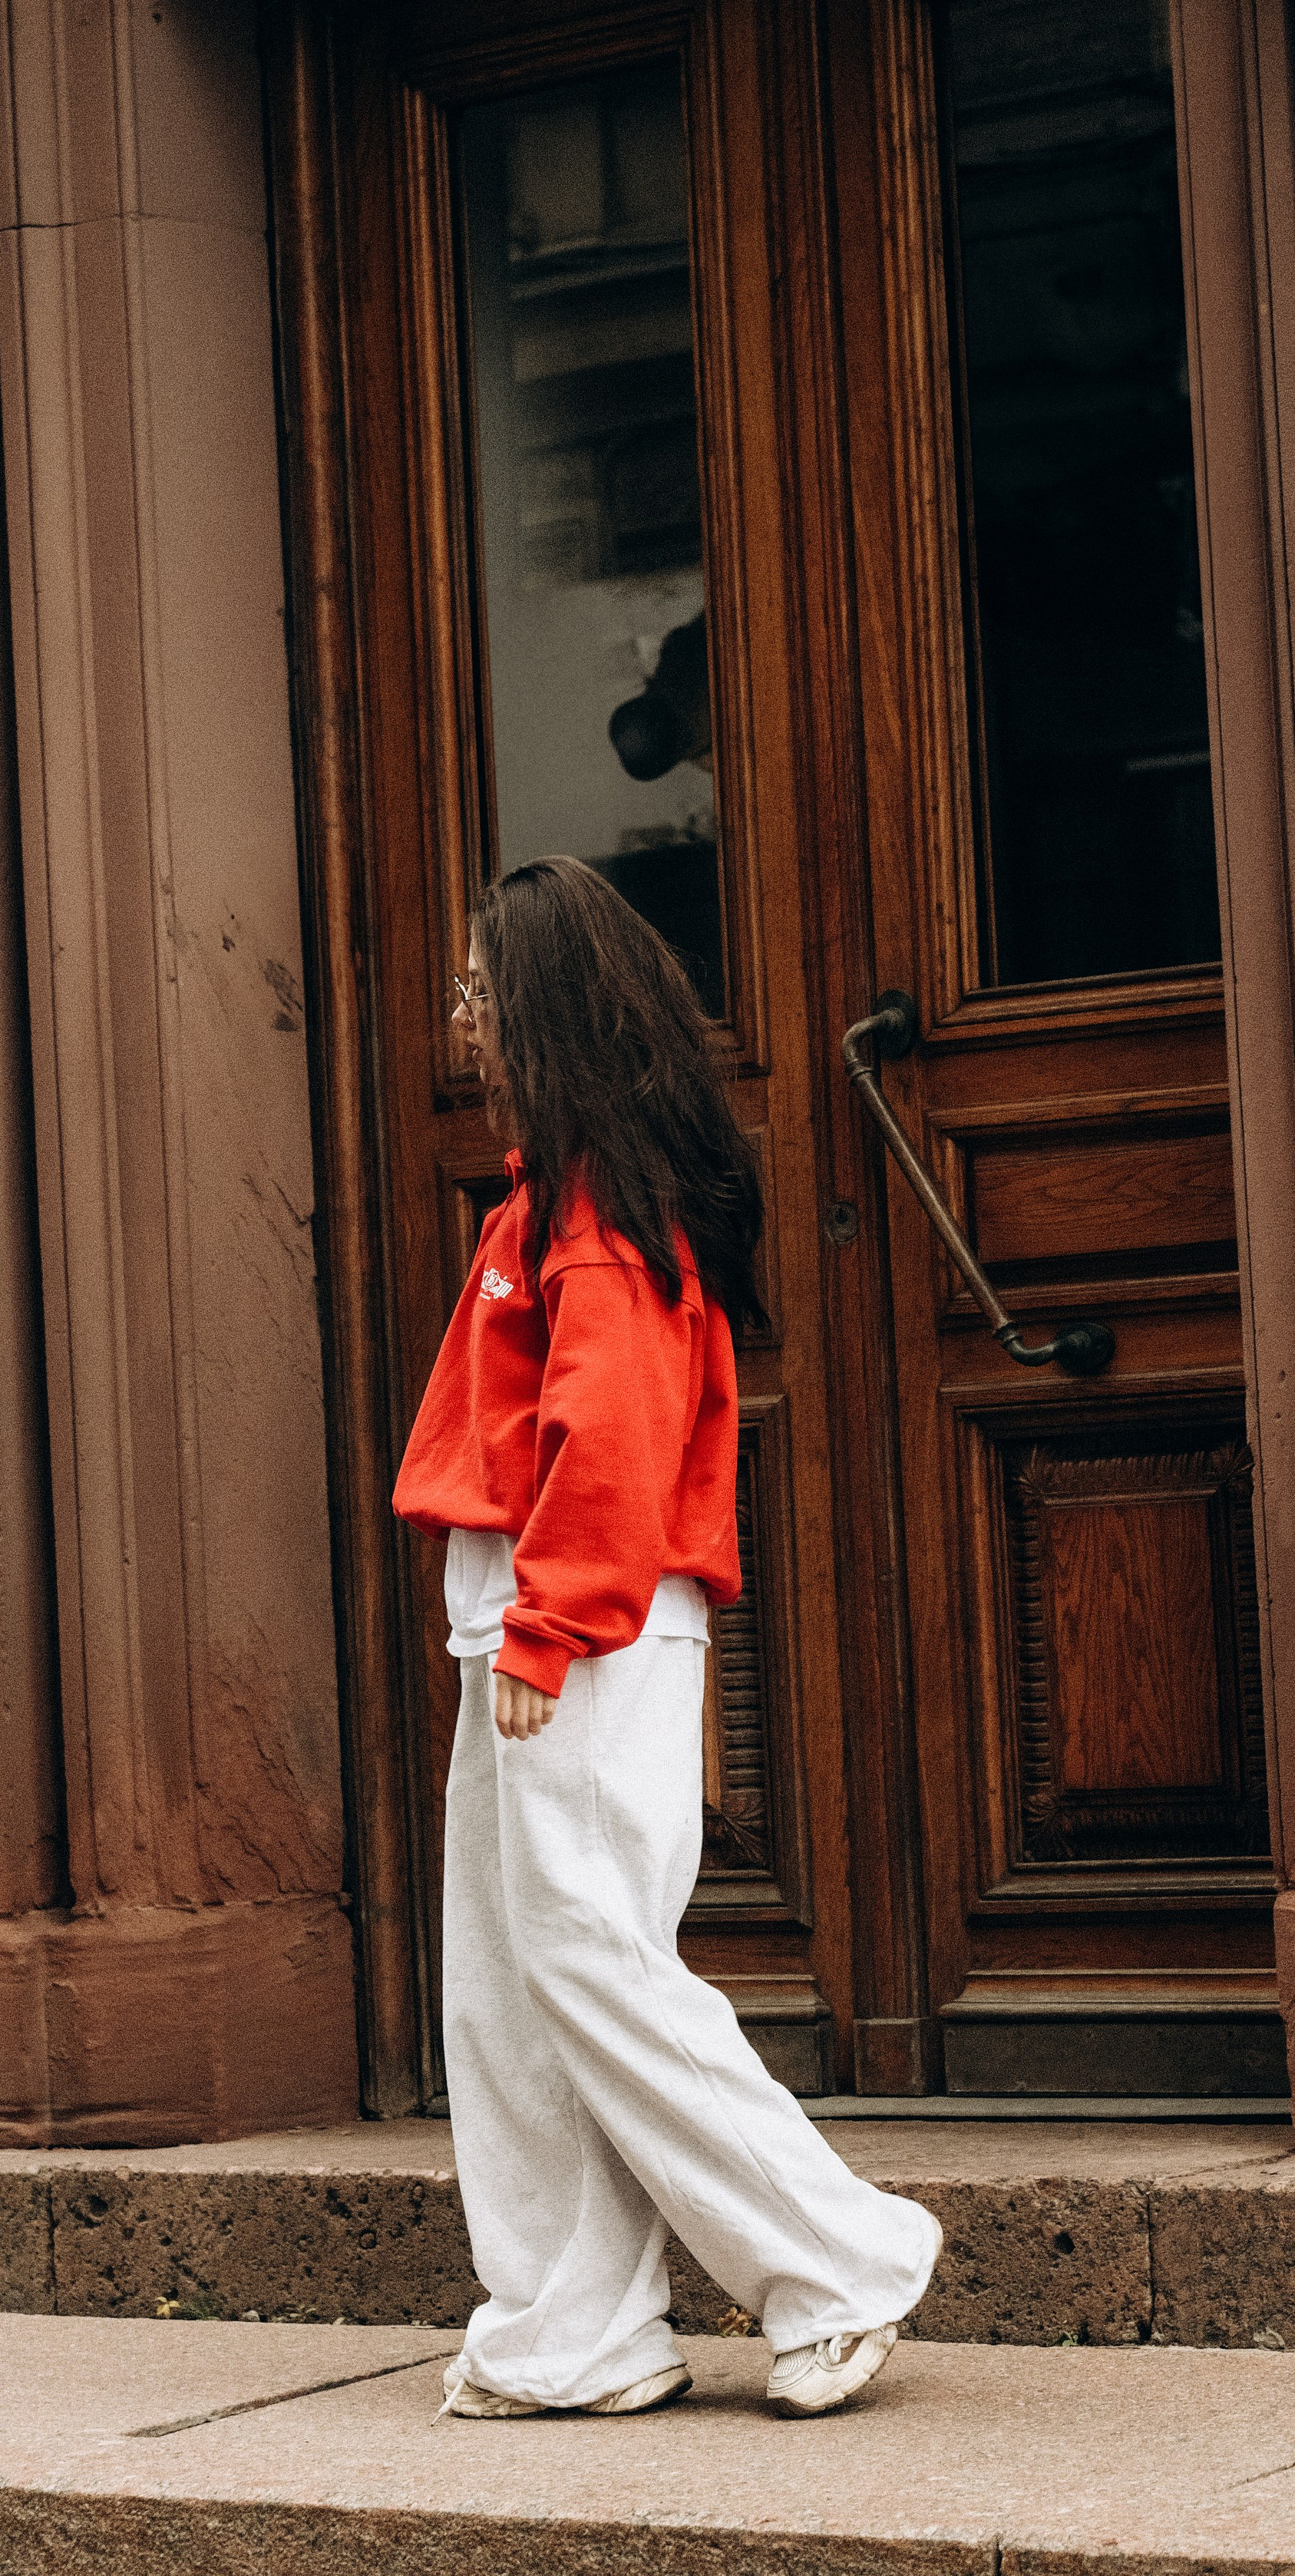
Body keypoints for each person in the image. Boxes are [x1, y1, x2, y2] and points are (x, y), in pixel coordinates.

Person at [394, 854, 941, 2422]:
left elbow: (614, 1441)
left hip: (575, 1626)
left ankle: (834, 2262)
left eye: (482, 992)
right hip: (537, 1625)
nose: (461, 1015)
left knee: (588, 1963)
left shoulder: (589, 1218)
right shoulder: (558, 1199)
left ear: (546, 1014)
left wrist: (548, 1627)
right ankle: (576, 2334)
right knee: (516, 1988)